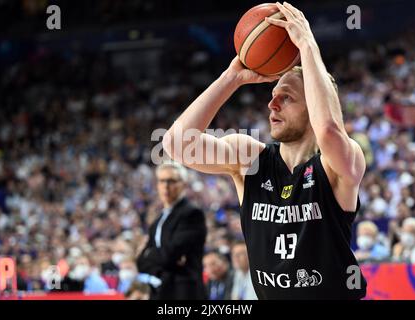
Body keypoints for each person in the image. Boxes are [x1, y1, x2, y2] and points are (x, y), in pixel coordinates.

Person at [163, 2, 367, 299]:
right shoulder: (251, 159)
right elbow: (176, 145)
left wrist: (308, 46)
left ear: (315, 106)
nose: (272, 104)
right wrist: (230, 79)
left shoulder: (339, 165)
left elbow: (328, 130)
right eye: (273, 95)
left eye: (287, 97)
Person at [136, 161, 207, 299]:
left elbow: (170, 254)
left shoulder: (192, 213)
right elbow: (141, 262)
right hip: (161, 291)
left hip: (185, 293)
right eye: (162, 181)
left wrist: (149, 254)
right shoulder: (158, 220)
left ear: (184, 184)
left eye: (171, 181)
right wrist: (158, 258)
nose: (166, 186)